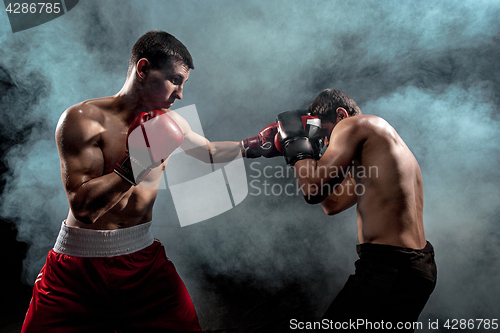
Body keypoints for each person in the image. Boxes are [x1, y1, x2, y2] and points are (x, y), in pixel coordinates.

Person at [21, 30, 281, 333]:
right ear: (143, 69)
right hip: (78, 265)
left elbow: (208, 152)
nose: (180, 94)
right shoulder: (82, 120)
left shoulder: (171, 123)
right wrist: (139, 163)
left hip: (142, 262)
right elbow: (84, 209)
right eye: (175, 80)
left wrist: (253, 147)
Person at [276, 89, 437, 331]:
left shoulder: (353, 124)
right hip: (416, 269)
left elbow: (311, 190)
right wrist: (309, 156)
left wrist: (297, 146)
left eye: (326, 134)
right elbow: (332, 204)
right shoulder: (379, 149)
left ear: (341, 115)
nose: (327, 143)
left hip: (389, 266)